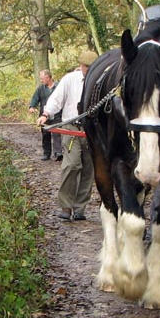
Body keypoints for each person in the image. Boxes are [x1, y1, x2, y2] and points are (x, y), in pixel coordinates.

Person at [37, 50, 98, 221]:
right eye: (87, 66)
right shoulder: (70, 79)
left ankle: (80, 208)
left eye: (92, 67)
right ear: (81, 65)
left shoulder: (99, 80)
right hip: (71, 127)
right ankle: (66, 206)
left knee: (89, 168)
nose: (89, 70)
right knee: (72, 165)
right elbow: (56, 99)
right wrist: (46, 114)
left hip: (92, 129)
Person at [28, 70, 62, 161]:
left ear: (48, 77)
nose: (41, 80)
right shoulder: (40, 89)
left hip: (57, 115)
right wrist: (32, 106)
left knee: (57, 133)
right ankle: (46, 153)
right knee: (45, 134)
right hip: (44, 115)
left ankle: (58, 153)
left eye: (42, 79)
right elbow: (35, 98)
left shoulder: (59, 87)